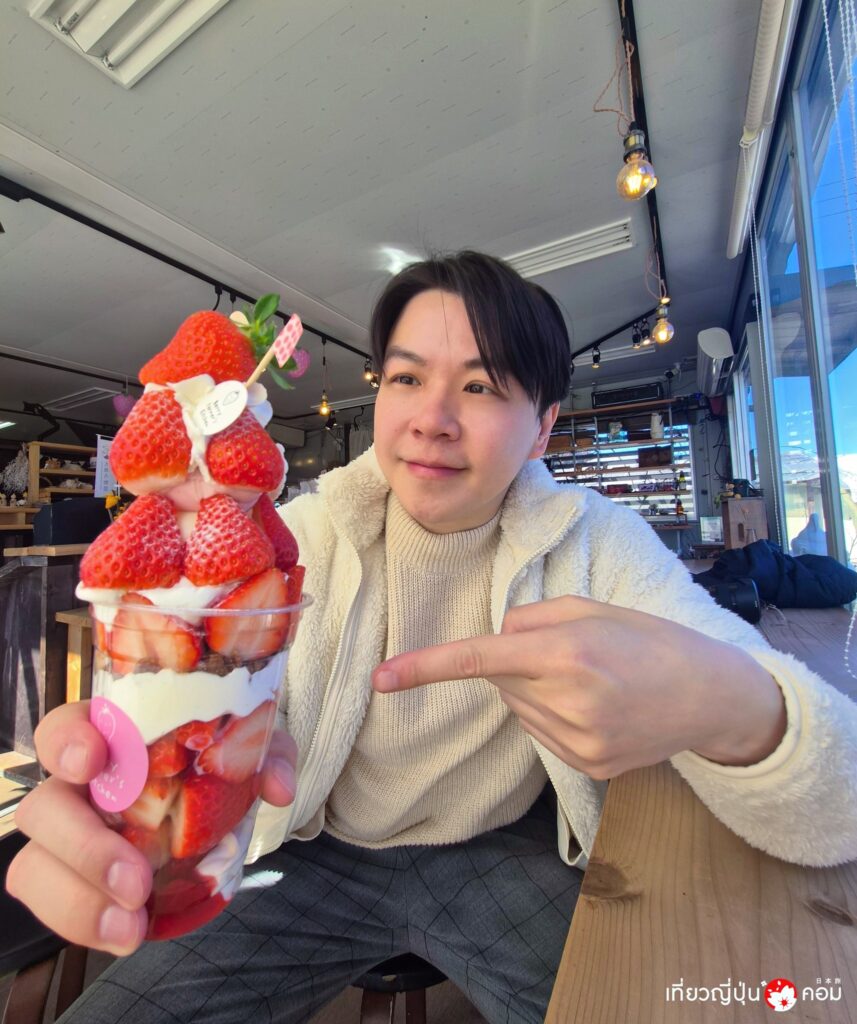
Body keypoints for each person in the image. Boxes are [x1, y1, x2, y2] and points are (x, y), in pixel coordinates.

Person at [7, 251, 857, 1024]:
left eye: (480, 388)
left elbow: (839, 794)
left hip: (498, 853)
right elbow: (214, 712)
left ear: (543, 426)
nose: (431, 419)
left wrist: (729, 705)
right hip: (313, 854)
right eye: (407, 378)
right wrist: (128, 775)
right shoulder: (294, 541)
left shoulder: (595, 545)